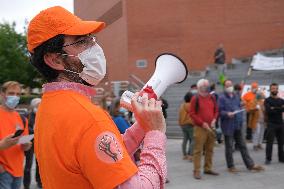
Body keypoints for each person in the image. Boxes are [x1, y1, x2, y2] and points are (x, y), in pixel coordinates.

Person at [27, 6, 167, 189]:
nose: (95, 47)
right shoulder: (88, 117)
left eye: (91, 39)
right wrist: (155, 133)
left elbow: (100, 155)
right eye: (81, 42)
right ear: (55, 60)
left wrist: (142, 125)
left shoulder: (49, 106)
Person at [218, 80, 264, 173]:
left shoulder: (236, 96)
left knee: (243, 145)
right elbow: (219, 111)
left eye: (230, 85)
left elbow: (239, 106)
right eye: (227, 86)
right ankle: (230, 166)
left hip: (237, 124)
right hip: (228, 125)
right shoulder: (221, 98)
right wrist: (227, 113)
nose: (229, 87)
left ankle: (250, 165)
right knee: (229, 147)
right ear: (224, 87)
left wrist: (241, 105)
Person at [0, 81, 31, 189]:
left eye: (18, 94)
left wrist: (27, 145)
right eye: (11, 93)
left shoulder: (22, 118)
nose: (15, 97)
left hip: (18, 170)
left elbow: (24, 144)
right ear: (2, 94)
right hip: (3, 172)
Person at [189, 79, 219, 179]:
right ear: (199, 87)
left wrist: (214, 119)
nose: (206, 87)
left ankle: (208, 168)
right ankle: (196, 171)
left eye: (207, 85)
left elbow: (216, 110)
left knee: (210, 149)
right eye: (204, 86)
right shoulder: (195, 98)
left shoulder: (212, 97)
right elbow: (192, 113)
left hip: (211, 126)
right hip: (200, 128)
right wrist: (202, 123)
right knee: (198, 150)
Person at [23, 98, 42, 189]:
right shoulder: (28, 115)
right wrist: (34, 131)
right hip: (29, 142)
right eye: (37, 105)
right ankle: (26, 184)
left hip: (39, 143)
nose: (39, 107)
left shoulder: (43, 115)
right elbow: (25, 128)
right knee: (28, 164)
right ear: (33, 105)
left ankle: (39, 181)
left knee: (39, 164)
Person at [264, 83, 284, 164]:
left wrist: (274, 108)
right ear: (270, 89)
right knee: (270, 142)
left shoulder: (282, 100)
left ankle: (281, 158)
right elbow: (268, 111)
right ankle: (268, 159)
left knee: (281, 142)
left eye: (275, 88)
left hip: (281, 123)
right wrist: (279, 108)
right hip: (271, 124)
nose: (274, 90)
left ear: (277, 89)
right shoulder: (267, 100)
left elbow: (282, 110)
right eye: (273, 88)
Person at [178, 92, 194, 161]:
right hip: (190, 124)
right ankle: (191, 154)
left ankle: (185, 155)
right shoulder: (191, 105)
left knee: (185, 139)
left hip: (183, 124)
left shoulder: (182, 105)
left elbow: (180, 115)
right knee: (193, 139)